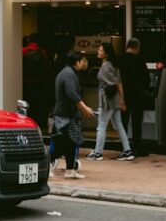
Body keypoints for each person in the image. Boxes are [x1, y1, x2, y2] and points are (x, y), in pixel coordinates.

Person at [50, 51, 94, 179]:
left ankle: (70, 170)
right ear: (77, 62)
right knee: (61, 144)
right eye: (83, 60)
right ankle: (48, 166)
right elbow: (72, 94)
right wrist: (84, 108)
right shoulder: (68, 74)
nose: (85, 63)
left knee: (71, 143)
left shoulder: (69, 73)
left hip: (69, 115)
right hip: (65, 116)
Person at [87, 42, 133, 160]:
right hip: (115, 99)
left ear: (106, 53)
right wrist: (122, 100)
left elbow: (116, 83)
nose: (98, 51)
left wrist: (122, 100)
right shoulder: (114, 64)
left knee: (101, 125)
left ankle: (98, 152)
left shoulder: (105, 66)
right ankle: (127, 150)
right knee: (119, 125)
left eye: (101, 50)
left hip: (108, 100)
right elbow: (119, 83)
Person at [119, 37, 150, 157]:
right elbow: (146, 80)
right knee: (136, 122)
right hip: (137, 96)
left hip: (123, 96)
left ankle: (124, 147)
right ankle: (137, 146)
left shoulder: (120, 60)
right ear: (137, 47)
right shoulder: (139, 60)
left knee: (123, 122)